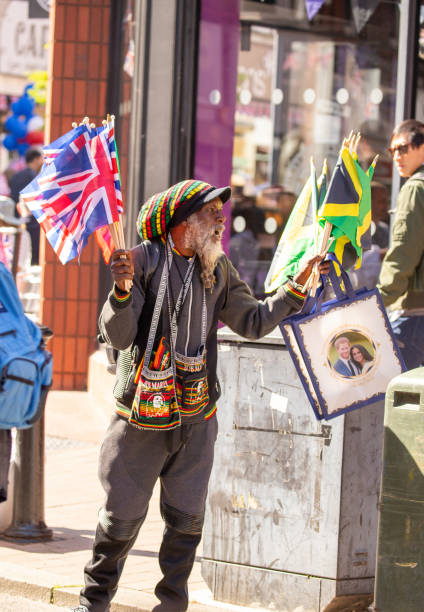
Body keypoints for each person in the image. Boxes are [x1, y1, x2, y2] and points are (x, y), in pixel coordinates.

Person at [71, 179, 329, 612]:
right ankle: (92, 603)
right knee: (120, 516)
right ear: (182, 222)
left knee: (187, 520)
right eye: (211, 213)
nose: (220, 222)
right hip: (140, 417)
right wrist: (120, 292)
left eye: (219, 214)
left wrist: (296, 286)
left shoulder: (218, 268)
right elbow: (117, 337)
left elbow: (253, 320)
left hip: (195, 416)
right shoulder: (141, 261)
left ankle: (171, 605)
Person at [377, 119, 424, 370]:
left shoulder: (416, 188)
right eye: (392, 150)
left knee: (396, 400)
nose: (396, 156)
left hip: (414, 315)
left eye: (403, 148)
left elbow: (404, 251)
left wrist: (380, 298)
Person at [7, 147, 44, 265]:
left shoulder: (16, 176)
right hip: (32, 219)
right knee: (33, 251)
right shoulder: (35, 177)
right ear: (37, 159)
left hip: (14, 217)